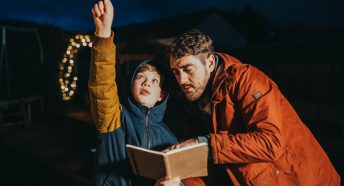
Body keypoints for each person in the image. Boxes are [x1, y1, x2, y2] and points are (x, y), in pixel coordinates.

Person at [164, 29, 341, 185]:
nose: (181, 80)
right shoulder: (192, 102)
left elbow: (270, 143)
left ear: (209, 63)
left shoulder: (246, 80)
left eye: (188, 70)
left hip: (301, 179)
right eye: (175, 72)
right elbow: (212, 169)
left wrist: (205, 143)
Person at [88, 0, 178, 185]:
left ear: (161, 95)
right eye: (141, 77)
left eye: (154, 81)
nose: (146, 82)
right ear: (132, 85)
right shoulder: (114, 118)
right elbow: (102, 85)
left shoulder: (170, 137)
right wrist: (104, 34)